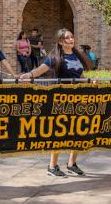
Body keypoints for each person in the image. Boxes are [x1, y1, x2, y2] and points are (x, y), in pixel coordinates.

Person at [20, 29, 95, 176]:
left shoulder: (77, 56)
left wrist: (89, 81)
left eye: (72, 37)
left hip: (79, 97)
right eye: (67, 38)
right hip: (62, 99)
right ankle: (52, 166)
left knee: (79, 130)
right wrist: (28, 75)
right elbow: (39, 70)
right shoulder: (54, 57)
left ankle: (72, 164)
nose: (71, 40)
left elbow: (79, 75)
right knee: (60, 132)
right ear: (61, 42)